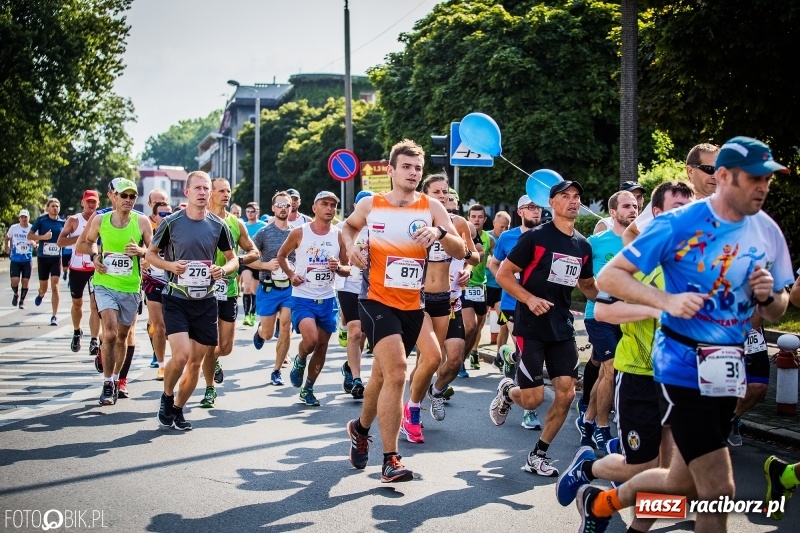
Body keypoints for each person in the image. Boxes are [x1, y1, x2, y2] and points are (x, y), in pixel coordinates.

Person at [576, 137, 793, 533]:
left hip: (729, 369)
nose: (763, 187)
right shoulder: (679, 223)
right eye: (754, 178)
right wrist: (665, 301)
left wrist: (768, 296)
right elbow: (610, 277)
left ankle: (600, 501)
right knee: (719, 487)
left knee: (680, 481)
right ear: (723, 177)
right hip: (682, 365)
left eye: (769, 179)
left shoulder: (767, 230)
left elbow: (780, 306)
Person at [555, 181, 694, 527]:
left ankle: (611, 512)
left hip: (682, 380)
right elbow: (602, 312)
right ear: (657, 215)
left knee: (675, 474)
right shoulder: (634, 259)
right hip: (639, 374)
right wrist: (659, 308)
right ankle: (588, 469)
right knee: (644, 467)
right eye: (677, 209)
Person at [343, 139, 465, 483]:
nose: (413, 173)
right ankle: (391, 458)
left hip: (413, 303)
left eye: (418, 168)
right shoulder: (372, 204)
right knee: (397, 371)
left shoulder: (431, 207)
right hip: (375, 299)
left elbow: (460, 248)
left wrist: (440, 232)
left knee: (382, 377)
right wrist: (353, 249)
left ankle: (360, 428)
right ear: (392, 170)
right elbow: (348, 227)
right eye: (407, 167)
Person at [491, 180, 598, 477]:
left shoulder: (583, 245)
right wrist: (529, 298)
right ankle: (508, 389)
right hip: (531, 325)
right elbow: (504, 273)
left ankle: (538, 453)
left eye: (577, 196)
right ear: (552, 203)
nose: (573, 201)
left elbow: (587, 286)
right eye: (566, 196)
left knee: (565, 394)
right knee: (533, 398)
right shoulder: (536, 237)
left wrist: (614, 299)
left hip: (561, 326)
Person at [148, 171, 237, 430]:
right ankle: (167, 397)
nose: (202, 192)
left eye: (205, 188)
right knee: (182, 356)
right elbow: (151, 255)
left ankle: (177, 409)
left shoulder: (218, 225)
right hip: (176, 297)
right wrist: (170, 265)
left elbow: (232, 258)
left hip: (206, 300)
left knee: (197, 362)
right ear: (186, 192)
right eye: (197, 188)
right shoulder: (172, 222)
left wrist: (224, 270)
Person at [401, 174, 478, 443]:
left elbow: (474, 256)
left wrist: (466, 263)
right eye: (437, 191)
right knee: (430, 357)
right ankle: (412, 410)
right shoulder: (414, 220)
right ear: (426, 194)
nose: (443, 196)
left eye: (446, 192)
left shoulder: (457, 223)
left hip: (445, 298)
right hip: (418, 296)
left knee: (448, 360)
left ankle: (422, 396)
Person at [79, 179, 152, 405]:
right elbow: (85, 243)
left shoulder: (142, 222)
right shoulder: (101, 220)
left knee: (121, 337)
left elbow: (154, 251)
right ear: (114, 196)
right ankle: (108, 383)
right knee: (109, 333)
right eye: (124, 196)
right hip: (104, 283)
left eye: (132, 197)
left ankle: (118, 378)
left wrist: (141, 251)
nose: (128, 200)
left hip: (130, 287)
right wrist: (94, 256)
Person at [577, 190, 638, 451]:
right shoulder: (595, 242)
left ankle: (588, 419)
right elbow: (582, 279)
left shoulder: (642, 242)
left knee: (609, 373)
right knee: (610, 368)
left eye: (635, 205)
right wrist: (599, 295)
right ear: (613, 213)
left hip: (630, 315)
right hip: (599, 313)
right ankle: (603, 427)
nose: (632, 210)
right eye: (626, 206)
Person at [278, 190, 349, 406]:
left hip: (327, 298)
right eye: (324, 204)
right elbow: (281, 256)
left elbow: (347, 269)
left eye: (332, 205)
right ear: (314, 208)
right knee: (310, 340)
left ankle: (307, 388)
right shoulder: (300, 232)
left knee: (322, 346)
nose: (329, 208)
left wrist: (339, 268)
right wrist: (291, 275)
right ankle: (300, 360)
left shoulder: (338, 235)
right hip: (303, 297)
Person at [195, 178, 258, 408]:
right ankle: (210, 388)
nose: (226, 194)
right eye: (221, 191)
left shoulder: (235, 223)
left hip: (228, 290)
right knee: (209, 343)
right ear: (211, 193)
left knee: (226, 347)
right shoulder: (199, 219)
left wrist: (236, 261)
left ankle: (213, 361)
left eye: (228, 191)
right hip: (203, 290)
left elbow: (254, 251)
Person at [487, 196, 544, 430]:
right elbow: (494, 263)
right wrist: (507, 280)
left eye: (538, 207)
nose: (536, 211)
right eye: (531, 207)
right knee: (526, 351)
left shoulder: (548, 236)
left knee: (525, 351)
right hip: (512, 303)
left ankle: (507, 353)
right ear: (520, 211)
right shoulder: (508, 237)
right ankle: (529, 412)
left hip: (539, 303)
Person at [623, 143, 720, 245]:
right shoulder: (668, 200)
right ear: (690, 171)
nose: (715, 176)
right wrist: (642, 260)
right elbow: (631, 233)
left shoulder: (727, 205)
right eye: (710, 169)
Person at [251, 192, 294, 385]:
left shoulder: (297, 232)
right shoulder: (264, 233)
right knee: (268, 333)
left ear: (291, 208)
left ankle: (276, 371)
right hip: (268, 287)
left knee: (286, 325)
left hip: (290, 288)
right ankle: (260, 332)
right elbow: (248, 259)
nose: (283, 208)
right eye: (280, 205)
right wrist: (266, 265)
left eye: (287, 205)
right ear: (273, 208)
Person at [337, 190, 373, 399]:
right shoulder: (344, 229)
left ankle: (350, 367)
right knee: (355, 331)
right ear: (356, 208)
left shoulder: (380, 228)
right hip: (349, 284)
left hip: (371, 286)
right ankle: (357, 379)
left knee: (364, 332)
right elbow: (336, 256)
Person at [57, 190, 101, 354]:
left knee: (95, 305)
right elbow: (60, 242)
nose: (91, 204)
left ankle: (94, 340)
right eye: (88, 201)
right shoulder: (74, 220)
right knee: (77, 304)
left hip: (94, 269)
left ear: (98, 204)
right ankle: (77, 331)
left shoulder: (102, 220)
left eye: (94, 202)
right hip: (76, 269)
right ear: (82, 203)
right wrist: (80, 239)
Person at [142, 202, 172, 380]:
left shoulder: (177, 233)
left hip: (173, 285)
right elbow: (141, 255)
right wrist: (143, 263)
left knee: (174, 328)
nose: (166, 216)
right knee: (159, 327)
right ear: (154, 217)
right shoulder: (148, 234)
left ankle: (178, 359)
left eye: (169, 213)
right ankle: (161, 365)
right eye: (162, 213)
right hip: (153, 284)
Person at [464, 204, 494, 371]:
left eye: (480, 217)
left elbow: (498, 258)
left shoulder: (489, 239)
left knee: (478, 326)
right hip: (464, 285)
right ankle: (459, 358)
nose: (476, 219)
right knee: (469, 325)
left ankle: (472, 352)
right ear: (469, 218)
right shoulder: (462, 233)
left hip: (481, 286)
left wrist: (494, 262)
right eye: (473, 216)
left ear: (484, 219)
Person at [28, 198, 66, 325]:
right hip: (43, 258)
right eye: (53, 206)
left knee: (55, 286)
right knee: (44, 287)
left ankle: (54, 316)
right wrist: (42, 237)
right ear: (47, 208)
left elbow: (67, 238)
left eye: (57, 206)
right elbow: (30, 235)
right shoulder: (41, 220)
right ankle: (41, 294)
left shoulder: (63, 222)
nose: (55, 208)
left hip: (56, 258)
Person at [485, 211, 511, 358]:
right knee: (477, 325)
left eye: (506, 227)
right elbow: (488, 263)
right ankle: (472, 352)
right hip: (484, 285)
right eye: (501, 226)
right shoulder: (486, 237)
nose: (504, 230)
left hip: (500, 288)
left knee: (505, 321)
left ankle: (500, 355)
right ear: (494, 223)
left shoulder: (508, 240)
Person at [240, 202, 266, 326]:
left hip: (259, 261)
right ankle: (246, 315)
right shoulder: (243, 226)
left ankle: (252, 313)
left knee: (255, 290)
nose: (250, 213)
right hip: (246, 260)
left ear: (258, 212)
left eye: (253, 211)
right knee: (247, 286)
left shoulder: (263, 226)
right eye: (248, 211)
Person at [6, 209, 34, 309]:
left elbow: (36, 239)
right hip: (15, 259)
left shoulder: (32, 228)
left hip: (27, 259)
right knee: (15, 280)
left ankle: (22, 301)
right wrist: (7, 246)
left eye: (25, 217)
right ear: (19, 218)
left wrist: (34, 243)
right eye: (21, 217)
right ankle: (16, 293)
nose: (23, 219)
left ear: (28, 218)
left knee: (25, 281)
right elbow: (7, 238)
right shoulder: (14, 228)